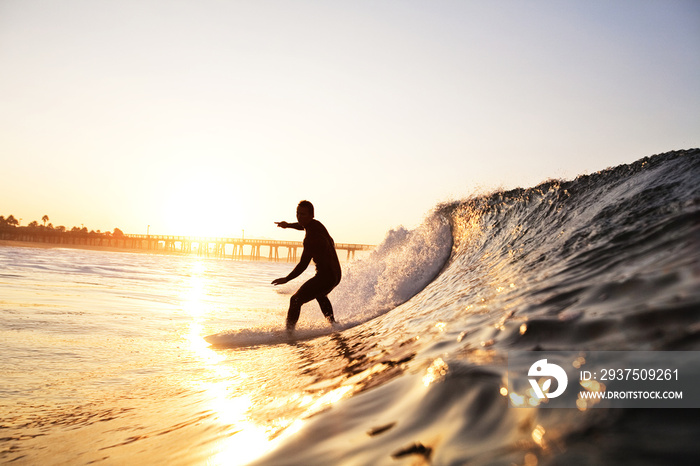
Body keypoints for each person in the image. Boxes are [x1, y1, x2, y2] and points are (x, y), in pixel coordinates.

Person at [272, 200, 342, 331]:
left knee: (295, 300)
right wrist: (287, 225)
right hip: (336, 274)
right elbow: (302, 225)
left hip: (326, 276)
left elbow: (303, 264)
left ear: (311, 215)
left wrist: (286, 279)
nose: (299, 217)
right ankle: (334, 325)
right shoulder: (317, 225)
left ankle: (289, 333)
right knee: (320, 294)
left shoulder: (311, 238)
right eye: (297, 213)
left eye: (303, 214)